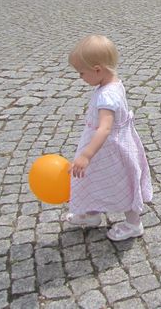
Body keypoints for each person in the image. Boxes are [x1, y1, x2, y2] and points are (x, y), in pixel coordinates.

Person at [66, 35, 153, 241]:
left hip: (109, 150)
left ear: (97, 70)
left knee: (122, 183)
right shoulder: (113, 84)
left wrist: (86, 155)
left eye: (82, 73)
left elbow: (105, 129)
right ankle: (92, 214)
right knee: (94, 180)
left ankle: (133, 224)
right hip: (105, 148)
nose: (80, 77)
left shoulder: (107, 96)